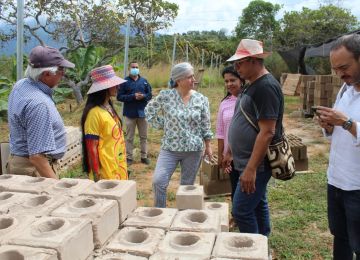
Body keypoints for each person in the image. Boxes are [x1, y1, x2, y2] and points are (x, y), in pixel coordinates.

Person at [223, 39, 284, 236]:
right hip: (245, 159)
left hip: (257, 163)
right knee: (258, 204)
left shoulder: (265, 87)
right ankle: (262, 242)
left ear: (253, 60)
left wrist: (251, 169)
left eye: (239, 63)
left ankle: (253, 250)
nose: (236, 67)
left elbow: (267, 131)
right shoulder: (252, 84)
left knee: (240, 210)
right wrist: (230, 149)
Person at [316, 34, 360, 260]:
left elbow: (348, 123)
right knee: (340, 238)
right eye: (335, 70)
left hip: (357, 188)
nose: (340, 74)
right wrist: (329, 126)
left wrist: (346, 122)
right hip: (336, 182)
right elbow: (338, 131)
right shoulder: (345, 90)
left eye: (344, 67)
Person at [145, 62, 213, 208]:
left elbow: (205, 124)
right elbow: (149, 112)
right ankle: (160, 212)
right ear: (178, 80)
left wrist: (208, 146)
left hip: (193, 150)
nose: (193, 79)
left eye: (193, 76)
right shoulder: (166, 96)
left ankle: (182, 216)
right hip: (170, 149)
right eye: (189, 77)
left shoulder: (201, 99)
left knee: (186, 187)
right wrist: (164, 124)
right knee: (159, 181)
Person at [7, 45, 75, 179]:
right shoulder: (39, 104)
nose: (63, 74)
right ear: (47, 74)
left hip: (20, 162)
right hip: (34, 169)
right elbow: (37, 157)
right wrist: (56, 186)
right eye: (61, 70)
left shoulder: (21, 84)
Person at [81, 65, 128, 181]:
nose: (117, 86)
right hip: (105, 170)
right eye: (114, 84)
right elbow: (91, 147)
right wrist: (97, 175)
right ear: (104, 88)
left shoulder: (109, 107)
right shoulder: (94, 114)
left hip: (117, 163)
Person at [216, 66, 244, 203]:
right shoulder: (224, 103)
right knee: (234, 187)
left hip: (246, 154)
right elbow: (220, 132)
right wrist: (221, 154)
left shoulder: (248, 100)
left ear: (241, 80)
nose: (229, 84)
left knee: (247, 188)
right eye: (226, 81)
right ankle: (236, 216)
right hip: (229, 157)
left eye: (232, 80)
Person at [117, 61, 152, 165]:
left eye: (137, 67)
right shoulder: (124, 82)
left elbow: (150, 95)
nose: (135, 69)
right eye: (133, 67)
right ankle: (129, 157)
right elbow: (119, 97)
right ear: (129, 68)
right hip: (130, 114)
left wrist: (144, 96)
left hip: (143, 114)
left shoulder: (144, 81)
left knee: (144, 136)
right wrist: (133, 96)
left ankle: (144, 156)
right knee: (129, 137)